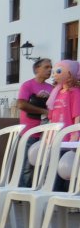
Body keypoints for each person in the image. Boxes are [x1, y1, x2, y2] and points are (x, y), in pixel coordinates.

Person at [17, 58, 53, 187]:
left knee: (42, 164)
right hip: (29, 132)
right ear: (37, 69)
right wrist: (43, 111)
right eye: (46, 67)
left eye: (50, 67)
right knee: (27, 166)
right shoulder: (28, 85)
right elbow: (21, 104)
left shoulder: (52, 88)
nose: (50, 69)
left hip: (46, 133)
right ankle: (21, 193)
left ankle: (33, 191)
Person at [46, 59, 80, 192]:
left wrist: (75, 134)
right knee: (55, 166)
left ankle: (72, 195)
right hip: (56, 137)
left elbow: (77, 114)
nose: (54, 74)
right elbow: (51, 116)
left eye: (58, 71)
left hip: (69, 137)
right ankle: (54, 194)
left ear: (70, 73)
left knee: (70, 167)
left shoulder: (75, 93)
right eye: (53, 72)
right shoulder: (56, 92)